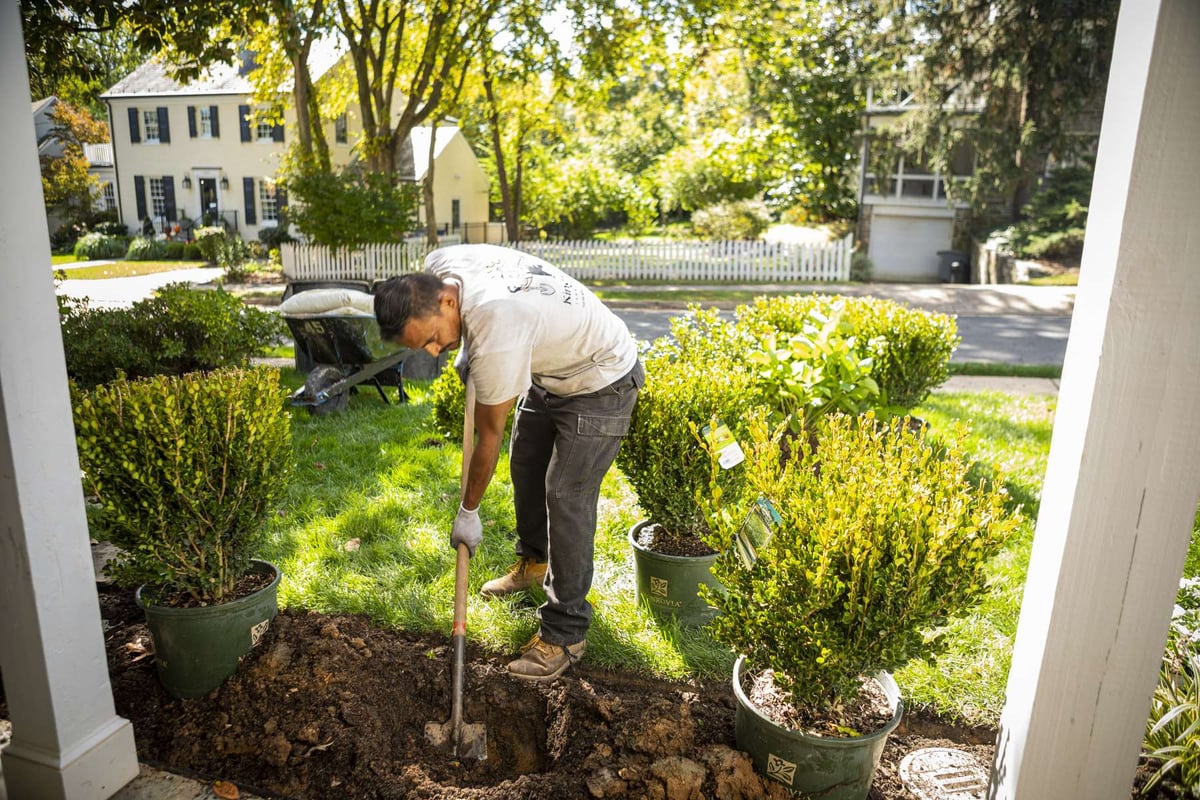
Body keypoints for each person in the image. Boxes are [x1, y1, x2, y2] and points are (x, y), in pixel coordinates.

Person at [374, 244, 643, 682]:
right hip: (550, 369)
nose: (433, 351)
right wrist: (466, 343)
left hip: (601, 378)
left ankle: (565, 634)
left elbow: (488, 436)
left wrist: (468, 512)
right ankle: (535, 564)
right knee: (526, 463)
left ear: (446, 301)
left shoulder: (496, 321)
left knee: (566, 495)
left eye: (430, 338)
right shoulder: (442, 266)